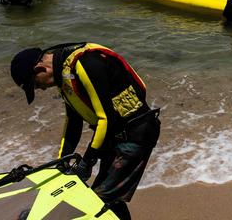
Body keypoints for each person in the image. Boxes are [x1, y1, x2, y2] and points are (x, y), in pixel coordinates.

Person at [10, 42, 161, 220]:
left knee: (98, 200)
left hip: (137, 134)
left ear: (40, 68)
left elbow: (107, 118)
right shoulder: (64, 75)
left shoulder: (85, 65)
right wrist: (63, 160)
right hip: (116, 135)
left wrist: (87, 161)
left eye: (35, 85)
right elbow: (73, 122)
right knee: (110, 198)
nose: (40, 89)